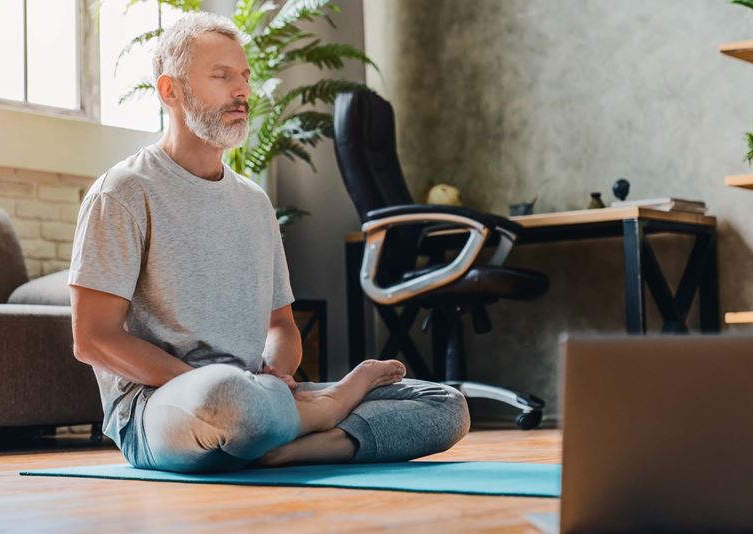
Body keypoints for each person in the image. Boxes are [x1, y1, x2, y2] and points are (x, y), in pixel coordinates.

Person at [68, 11, 470, 474]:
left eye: (244, 77)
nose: (241, 91)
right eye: (221, 76)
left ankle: (288, 446)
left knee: (443, 405)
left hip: (259, 394)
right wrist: (231, 387)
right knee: (228, 399)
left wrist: (277, 375)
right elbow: (93, 339)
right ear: (169, 91)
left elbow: (281, 326)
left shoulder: (254, 203)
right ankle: (320, 411)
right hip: (161, 407)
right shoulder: (122, 192)